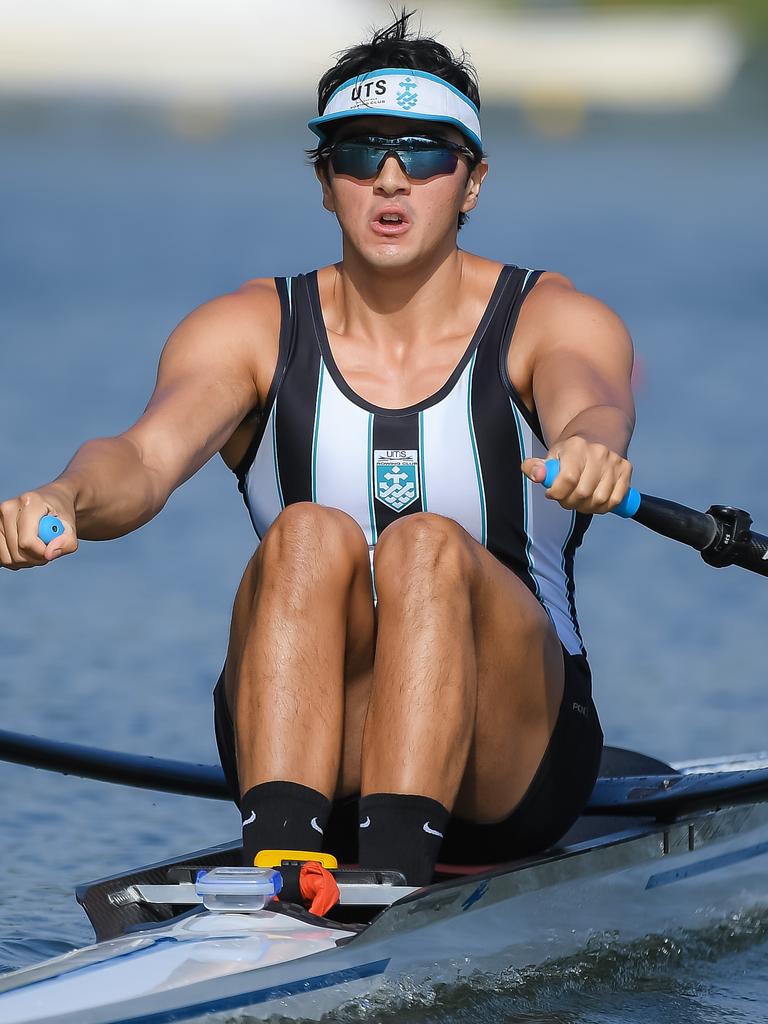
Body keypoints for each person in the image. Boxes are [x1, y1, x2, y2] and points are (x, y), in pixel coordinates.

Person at [0, 13, 634, 892]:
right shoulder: (250, 328)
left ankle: (395, 879)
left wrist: (590, 448)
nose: (389, 179)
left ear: (473, 180)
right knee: (303, 534)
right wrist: (66, 495)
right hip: (311, 748)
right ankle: (289, 863)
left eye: (424, 153)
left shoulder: (551, 318)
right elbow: (144, 460)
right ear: (323, 181)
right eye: (357, 153)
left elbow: (593, 403)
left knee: (427, 545)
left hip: (512, 757)